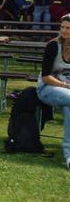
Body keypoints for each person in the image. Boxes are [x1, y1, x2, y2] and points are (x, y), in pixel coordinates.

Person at [36, 13, 70, 171]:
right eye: (63, 27)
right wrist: (66, 86)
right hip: (47, 88)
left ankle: (68, 156)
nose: (64, 30)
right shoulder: (53, 46)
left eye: (68, 28)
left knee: (69, 107)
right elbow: (46, 77)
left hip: (67, 92)